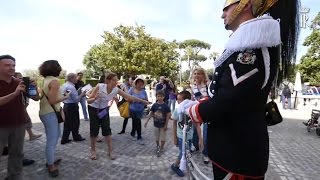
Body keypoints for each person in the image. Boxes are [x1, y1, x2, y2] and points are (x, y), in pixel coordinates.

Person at [179, 0, 300, 179]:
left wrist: (192, 110)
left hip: (237, 153)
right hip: (231, 148)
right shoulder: (248, 44)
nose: (223, 14)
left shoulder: (252, 48)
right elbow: (228, 94)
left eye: (226, 7)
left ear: (245, 4)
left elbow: (229, 101)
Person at [87, 72, 149, 160]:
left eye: (117, 80)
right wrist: (95, 98)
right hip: (93, 109)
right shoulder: (99, 86)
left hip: (104, 110)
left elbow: (129, 97)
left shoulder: (116, 90)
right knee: (94, 130)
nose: (116, 82)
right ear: (108, 80)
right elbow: (88, 101)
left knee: (107, 131)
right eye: (114, 80)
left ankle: (110, 151)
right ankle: (93, 150)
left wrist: (143, 101)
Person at [39, 60, 70, 177]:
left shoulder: (45, 80)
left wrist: (60, 96)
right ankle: (50, 165)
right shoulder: (54, 81)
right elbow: (52, 100)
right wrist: (65, 97)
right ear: (55, 68)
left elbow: (49, 97)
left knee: (55, 137)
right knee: (52, 140)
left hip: (46, 112)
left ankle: (50, 160)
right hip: (50, 113)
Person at [0, 55, 28, 180]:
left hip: (19, 124)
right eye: (7, 65)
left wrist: (34, 92)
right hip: (1, 125)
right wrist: (15, 93)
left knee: (17, 153)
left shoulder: (19, 82)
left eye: (13, 65)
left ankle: (14, 176)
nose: (11, 68)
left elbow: (33, 99)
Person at [170, 90, 203, 177]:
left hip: (189, 136)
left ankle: (185, 163)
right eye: (177, 99)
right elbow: (174, 123)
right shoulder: (177, 110)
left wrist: (200, 139)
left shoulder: (192, 111)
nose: (177, 101)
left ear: (186, 100)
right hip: (181, 137)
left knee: (187, 151)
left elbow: (197, 125)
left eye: (179, 99)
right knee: (182, 153)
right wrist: (174, 137)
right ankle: (175, 166)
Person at [190, 67, 210, 164]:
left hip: (206, 113)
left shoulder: (208, 85)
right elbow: (192, 99)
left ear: (203, 75)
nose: (196, 75)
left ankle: (206, 154)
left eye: (199, 73)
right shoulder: (192, 86)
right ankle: (196, 146)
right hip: (196, 113)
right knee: (194, 132)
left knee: (206, 135)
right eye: (195, 73)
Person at [60, 73, 87, 144]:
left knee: (67, 123)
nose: (77, 79)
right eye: (75, 77)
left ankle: (64, 138)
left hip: (66, 105)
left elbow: (65, 96)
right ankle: (76, 137)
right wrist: (82, 94)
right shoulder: (71, 87)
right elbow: (76, 99)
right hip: (72, 106)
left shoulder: (64, 85)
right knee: (75, 122)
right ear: (71, 78)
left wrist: (78, 91)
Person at [144, 90, 171, 157]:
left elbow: (168, 116)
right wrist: (146, 121)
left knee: (163, 138)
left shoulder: (166, 106)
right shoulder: (154, 105)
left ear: (164, 97)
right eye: (158, 96)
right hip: (156, 124)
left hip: (163, 125)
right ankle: (157, 146)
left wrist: (166, 125)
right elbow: (151, 113)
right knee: (157, 137)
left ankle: (161, 148)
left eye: (161, 96)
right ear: (156, 97)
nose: (159, 97)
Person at [128, 77, 148, 145]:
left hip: (140, 109)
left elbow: (146, 100)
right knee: (138, 121)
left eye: (141, 83)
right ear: (136, 83)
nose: (140, 84)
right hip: (133, 108)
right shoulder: (131, 90)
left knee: (135, 121)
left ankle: (132, 132)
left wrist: (145, 102)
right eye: (138, 83)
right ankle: (139, 136)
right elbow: (127, 98)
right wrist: (134, 100)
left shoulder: (143, 91)